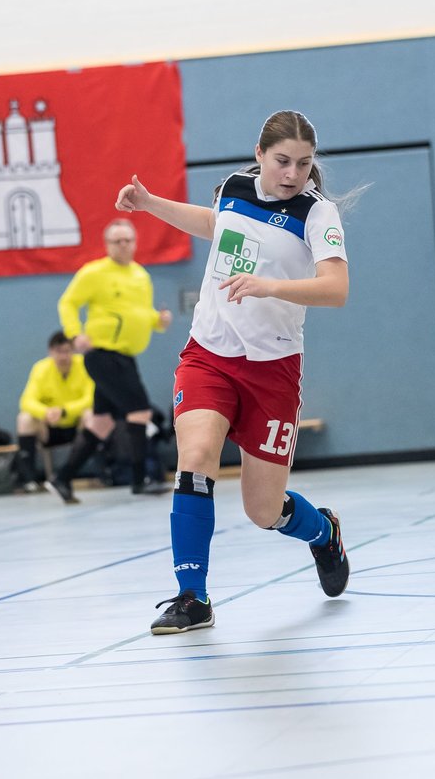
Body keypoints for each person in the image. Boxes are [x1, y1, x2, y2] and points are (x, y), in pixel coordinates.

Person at [114, 110, 351, 635]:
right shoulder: (235, 188)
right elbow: (213, 223)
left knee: (264, 510)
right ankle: (192, 597)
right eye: (283, 161)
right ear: (260, 154)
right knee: (195, 457)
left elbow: (336, 289)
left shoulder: (318, 213)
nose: (293, 173)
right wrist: (151, 204)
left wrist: (271, 286)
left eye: (304, 164)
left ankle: (323, 532)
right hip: (210, 354)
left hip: (273, 369)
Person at [48, 218, 174, 504]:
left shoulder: (141, 275)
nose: (123, 245)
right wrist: (74, 334)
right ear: (107, 245)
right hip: (102, 355)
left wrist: (158, 320)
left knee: (101, 423)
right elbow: (67, 303)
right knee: (140, 410)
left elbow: (140, 312)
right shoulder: (94, 273)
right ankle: (141, 479)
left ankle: (62, 477)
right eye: (117, 241)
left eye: (128, 240)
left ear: (135, 242)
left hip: (125, 356)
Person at [13, 331, 96, 489]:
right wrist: (45, 412)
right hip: (49, 427)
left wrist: (65, 411)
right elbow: (26, 400)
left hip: (76, 425)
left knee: (91, 416)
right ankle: (28, 479)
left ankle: (100, 472)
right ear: (50, 352)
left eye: (67, 351)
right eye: (59, 352)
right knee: (24, 419)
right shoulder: (40, 369)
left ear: (73, 351)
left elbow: (90, 398)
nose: (63, 357)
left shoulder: (84, 365)